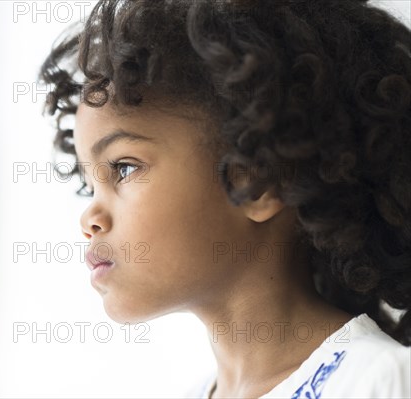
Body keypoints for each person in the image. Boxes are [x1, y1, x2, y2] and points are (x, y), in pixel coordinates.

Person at [38, 0, 411, 397]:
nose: (89, 217)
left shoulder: (380, 381)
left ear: (259, 181)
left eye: (123, 168)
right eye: (89, 184)